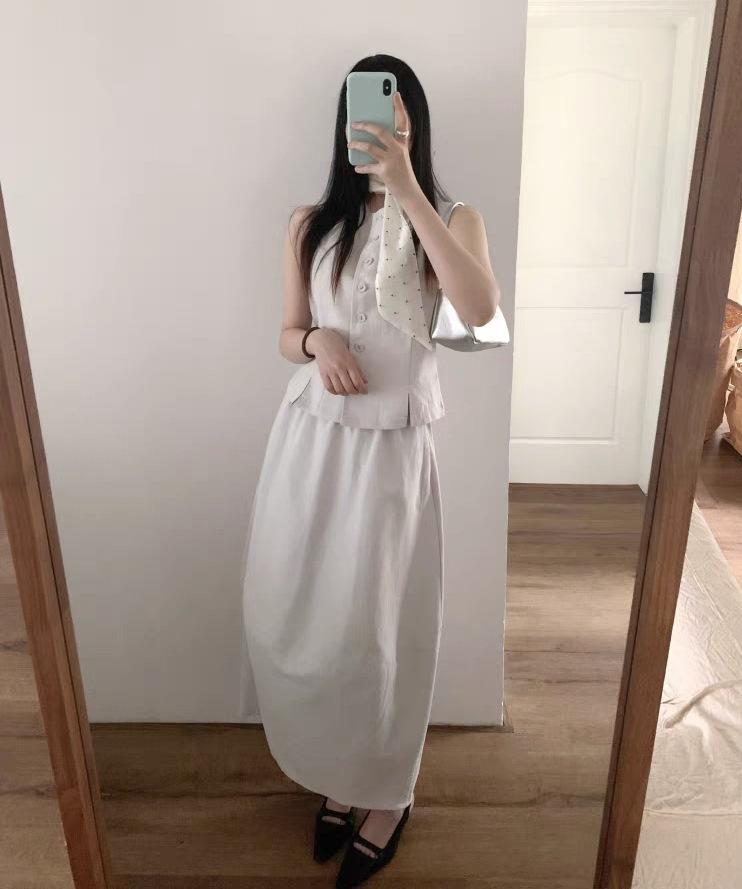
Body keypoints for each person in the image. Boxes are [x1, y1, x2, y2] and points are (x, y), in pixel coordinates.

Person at [242, 53, 500, 888]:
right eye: (370, 116)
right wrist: (319, 340)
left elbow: (479, 312)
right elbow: (287, 332)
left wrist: (409, 191)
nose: (386, 129)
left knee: (383, 631)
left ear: (413, 125)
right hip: (310, 444)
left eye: (400, 116)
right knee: (306, 622)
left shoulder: (452, 217)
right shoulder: (309, 223)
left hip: (392, 454)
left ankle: (388, 793)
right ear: (345, 124)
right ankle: (337, 775)